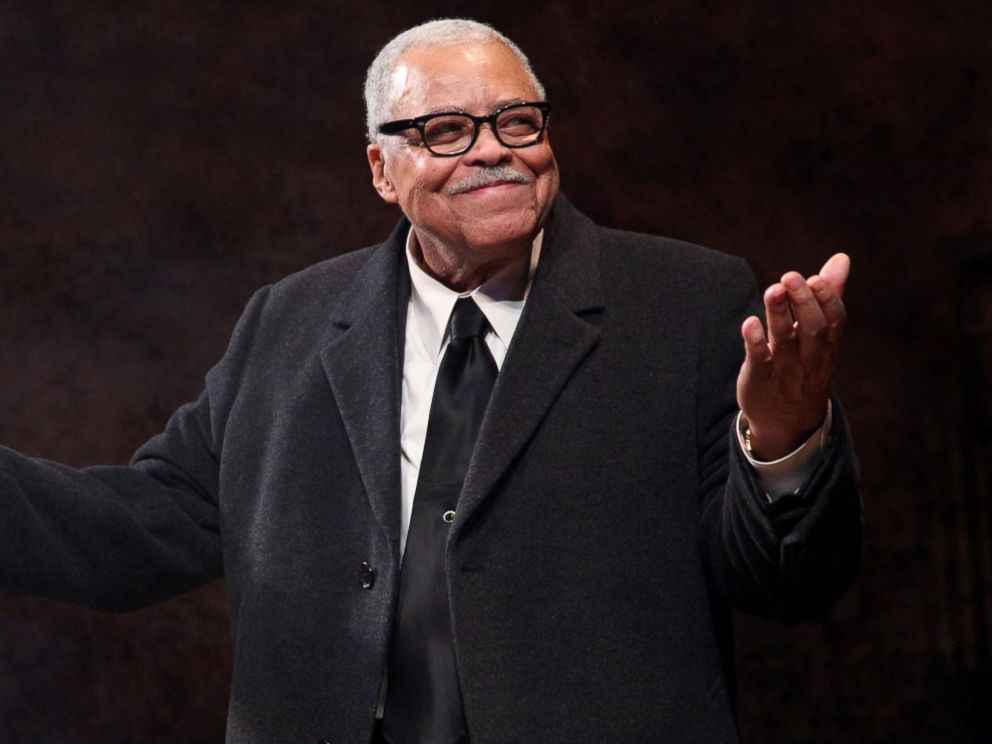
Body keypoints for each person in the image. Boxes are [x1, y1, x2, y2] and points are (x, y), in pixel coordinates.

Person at [0, 18, 861, 744]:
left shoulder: (689, 303)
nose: (494, 153)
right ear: (381, 170)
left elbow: (789, 587)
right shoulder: (288, 322)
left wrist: (785, 442)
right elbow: (140, 528)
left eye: (517, 121)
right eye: (446, 131)